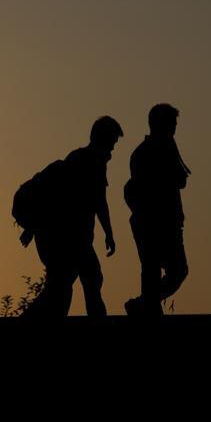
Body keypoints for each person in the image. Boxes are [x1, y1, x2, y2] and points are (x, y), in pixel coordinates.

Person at [21, 116, 123, 318]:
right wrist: (109, 233)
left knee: (67, 286)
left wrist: (32, 228)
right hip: (69, 239)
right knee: (81, 280)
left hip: (62, 238)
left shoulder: (75, 158)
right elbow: (98, 201)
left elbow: (54, 196)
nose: (112, 149)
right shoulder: (93, 162)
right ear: (102, 139)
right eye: (112, 142)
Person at [124, 104, 190, 317]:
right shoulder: (148, 152)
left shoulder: (164, 149)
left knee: (176, 271)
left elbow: (180, 180)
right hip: (151, 222)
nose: (174, 129)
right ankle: (147, 308)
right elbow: (177, 180)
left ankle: (143, 305)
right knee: (153, 272)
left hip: (167, 222)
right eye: (172, 124)